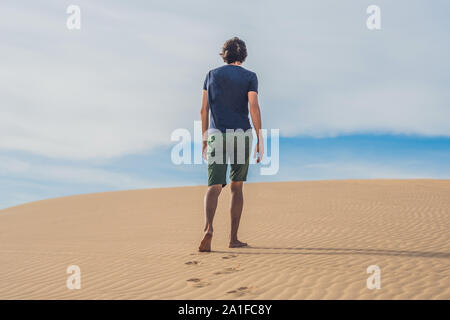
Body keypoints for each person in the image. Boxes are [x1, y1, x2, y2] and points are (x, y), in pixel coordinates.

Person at [199, 37, 263, 252]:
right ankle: (233, 239)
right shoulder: (250, 77)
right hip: (241, 135)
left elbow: (204, 110)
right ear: (243, 55)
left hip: (217, 134)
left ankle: (208, 229)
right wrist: (260, 137)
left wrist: (204, 138)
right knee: (236, 187)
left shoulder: (211, 75)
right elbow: (253, 106)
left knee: (214, 186)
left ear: (224, 54)